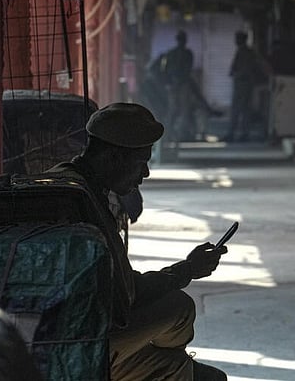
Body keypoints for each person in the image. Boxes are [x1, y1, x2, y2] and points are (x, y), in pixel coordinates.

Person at [44, 103, 229, 381]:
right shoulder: (83, 203)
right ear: (113, 157)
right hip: (79, 344)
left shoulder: (64, 180)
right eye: (141, 162)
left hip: (62, 336)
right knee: (180, 308)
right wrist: (186, 271)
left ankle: (169, 365)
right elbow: (125, 295)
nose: (146, 174)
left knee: (185, 364)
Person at [224, 31, 258, 142]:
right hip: (243, 83)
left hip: (243, 83)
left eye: (237, 38)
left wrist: (236, 74)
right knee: (244, 109)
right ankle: (242, 133)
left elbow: (245, 69)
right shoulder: (243, 51)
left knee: (238, 109)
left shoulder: (245, 52)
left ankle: (236, 133)